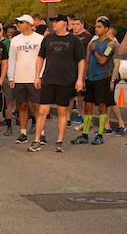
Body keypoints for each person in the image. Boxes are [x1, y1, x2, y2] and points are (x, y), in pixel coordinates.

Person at [29, 14, 85, 153]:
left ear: (64, 23)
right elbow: (41, 57)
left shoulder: (74, 40)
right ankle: (37, 140)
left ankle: (59, 141)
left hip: (66, 80)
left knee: (62, 111)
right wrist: (37, 76)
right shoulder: (48, 39)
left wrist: (80, 79)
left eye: (56, 21)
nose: (53, 24)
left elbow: (81, 60)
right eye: (52, 21)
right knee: (42, 111)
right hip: (48, 79)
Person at [71, 17, 116, 146]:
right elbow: (86, 61)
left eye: (99, 27)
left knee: (102, 107)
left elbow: (103, 61)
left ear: (106, 29)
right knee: (87, 107)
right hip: (90, 79)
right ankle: (85, 134)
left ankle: (100, 134)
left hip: (102, 79)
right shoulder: (92, 42)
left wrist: (94, 49)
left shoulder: (110, 44)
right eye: (96, 27)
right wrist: (83, 78)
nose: (96, 29)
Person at [8, 14, 43, 146]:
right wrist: (11, 77)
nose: (19, 25)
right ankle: (23, 133)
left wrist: (40, 76)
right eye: (18, 23)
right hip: (19, 77)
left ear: (28, 24)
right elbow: (12, 59)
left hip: (34, 77)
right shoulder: (15, 40)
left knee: (36, 105)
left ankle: (41, 132)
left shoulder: (39, 39)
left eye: (21, 22)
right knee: (21, 105)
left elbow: (43, 58)